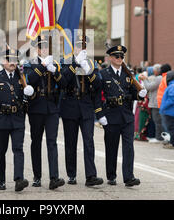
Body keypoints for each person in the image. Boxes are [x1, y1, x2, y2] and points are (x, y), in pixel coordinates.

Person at [97, 44, 147, 187]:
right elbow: (98, 96)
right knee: (111, 147)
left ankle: (129, 176)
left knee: (128, 147)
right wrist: (100, 114)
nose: (119, 59)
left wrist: (140, 94)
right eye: (116, 56)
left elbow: (132, 93)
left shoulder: (128, 74)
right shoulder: (104, 74)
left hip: (126, 116)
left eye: (122, 57)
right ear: (110, 58)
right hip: (111, 115)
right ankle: (111, 175)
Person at [58, 35, 103, 187]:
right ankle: (71, 174)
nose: (81, 49)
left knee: (89, 142)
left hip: (86, 106)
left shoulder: (91, 63)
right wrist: (75, 64)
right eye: (79, 46)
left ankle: (91, 176)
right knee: (71, 143)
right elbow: (63, 82)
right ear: (74, 48)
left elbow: (97, 85)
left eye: (84, 46)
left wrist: (88, 70)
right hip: (70, 105)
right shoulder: (66, 62)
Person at [22, 36, 66, 190]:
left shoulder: (55, 64)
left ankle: (54, 177)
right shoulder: (30, 64)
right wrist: (43, 66)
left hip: (52, 108)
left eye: (46, 47)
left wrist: (55, 72)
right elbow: (29, 80)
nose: (44, 50)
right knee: (36, 142)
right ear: (37, 49)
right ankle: (37, 176)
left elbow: (64, 84)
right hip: (36, 107)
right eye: (41, 47)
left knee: (52, 142)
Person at [0, 48, 29, 192]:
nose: (12, 62)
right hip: (1, 118)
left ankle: (19, 179)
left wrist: (29, 94)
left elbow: (26, 100)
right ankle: (1, 180)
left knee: (18, 149)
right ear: (3, 62)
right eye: (9, 60)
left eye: (15, 60)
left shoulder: (22, 78)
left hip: (17, 118)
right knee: (0, 151)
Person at [139, 64, 164, 143]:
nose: (153, 71)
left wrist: (144, 80)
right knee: (156, 120)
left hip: (156, 102)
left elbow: (149, 87)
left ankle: (158, 137)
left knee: (157, 121)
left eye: (154, 70)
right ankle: (157, 136)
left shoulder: (159, 78)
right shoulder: (159, 78)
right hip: (155, 101)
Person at [160, 71, 174, 149]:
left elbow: (173, 99)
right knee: (173, 127)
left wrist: (164, 106)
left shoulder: (172, 86)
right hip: (172, 110)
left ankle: (173, 144)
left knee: (171, 127)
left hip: (169, 110)